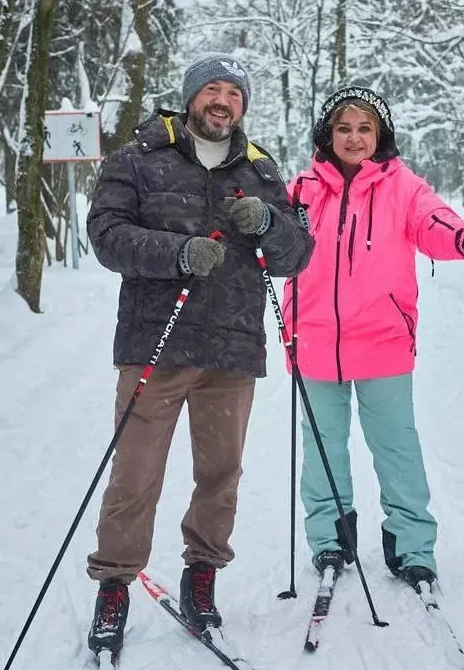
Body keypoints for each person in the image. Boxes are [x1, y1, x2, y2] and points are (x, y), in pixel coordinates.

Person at [83, 52, 315, 655]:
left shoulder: (262, 173)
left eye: (234, 94)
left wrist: (269, 223)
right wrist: (178, 254)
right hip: (154, 341)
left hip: (232, 348)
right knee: (135, 474)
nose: (223, 102)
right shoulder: (137, 159)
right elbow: (106, 236)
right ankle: (114, 585)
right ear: (190, 99)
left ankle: (202, 577)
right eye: (212, 90)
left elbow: (296, 256)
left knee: (220, 475)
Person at [282, 86, 464, 593]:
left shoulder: (403, 186)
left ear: (379, 134)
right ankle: (330, 541)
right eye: (344, 128)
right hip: (314, 341)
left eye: (364, 128)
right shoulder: (302, 190)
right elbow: (271, 241)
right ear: (327, 134)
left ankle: (411, 548)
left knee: (396, 449)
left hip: (382, 342)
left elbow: (434, 224)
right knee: (322, 451)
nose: (354, 138)